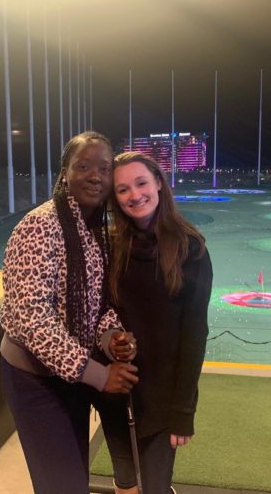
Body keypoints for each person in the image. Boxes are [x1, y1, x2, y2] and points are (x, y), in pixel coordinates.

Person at [0, 132, 138, 494]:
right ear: (65, 173)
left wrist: (112, 339)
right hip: (35, 379)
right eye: (84, 166)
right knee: (63, 485)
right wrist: (98, 375)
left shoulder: (96, 231)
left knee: (72, 478)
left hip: (68, 378)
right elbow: (33, 320)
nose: (95, 176)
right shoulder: (39, 226)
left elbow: (99, 304)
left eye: (104, 169)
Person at [99, 152, 213, 494]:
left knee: (156, 485)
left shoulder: (190, 248)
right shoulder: (110, 245)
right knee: (125, 481)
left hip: (163, 396)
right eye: (122, 189)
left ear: (159, 184)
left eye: (141, 183)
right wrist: (110, 342)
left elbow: (195, 332)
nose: (134, 195)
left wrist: (183, 411)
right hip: (116, 387)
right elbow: (101, 313)